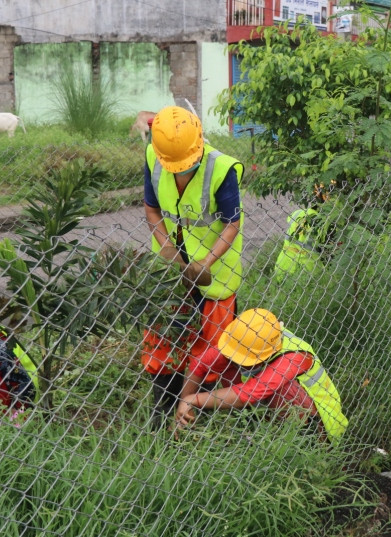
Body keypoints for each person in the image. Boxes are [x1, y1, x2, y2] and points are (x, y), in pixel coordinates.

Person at [142, 105, 244, 430]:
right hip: (171, 273)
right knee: (163, 342)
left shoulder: (221, 169)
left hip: (216, 277)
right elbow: (151, 209)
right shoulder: (154, 158)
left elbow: (231, 224)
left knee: (211, 350)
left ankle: (196, 417)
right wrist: (171, 252)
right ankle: (164, 415)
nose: (178, 171)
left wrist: (205, 262)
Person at [176, 308, 348, 441]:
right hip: (268, 409)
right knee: (225, 362)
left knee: (284, 389)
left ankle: (305, 440)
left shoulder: (294, 356)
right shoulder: (250, 339)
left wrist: (194, 399)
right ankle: (256, 426)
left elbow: (250, 392)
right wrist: (183, 410)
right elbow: (200, 364)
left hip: (324, 426)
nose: (238, 360)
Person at [273, 207, 322, 281]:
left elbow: (289, 218)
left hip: (281, 266)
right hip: (309, 271)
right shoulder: (321, 222)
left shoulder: (299, 213)